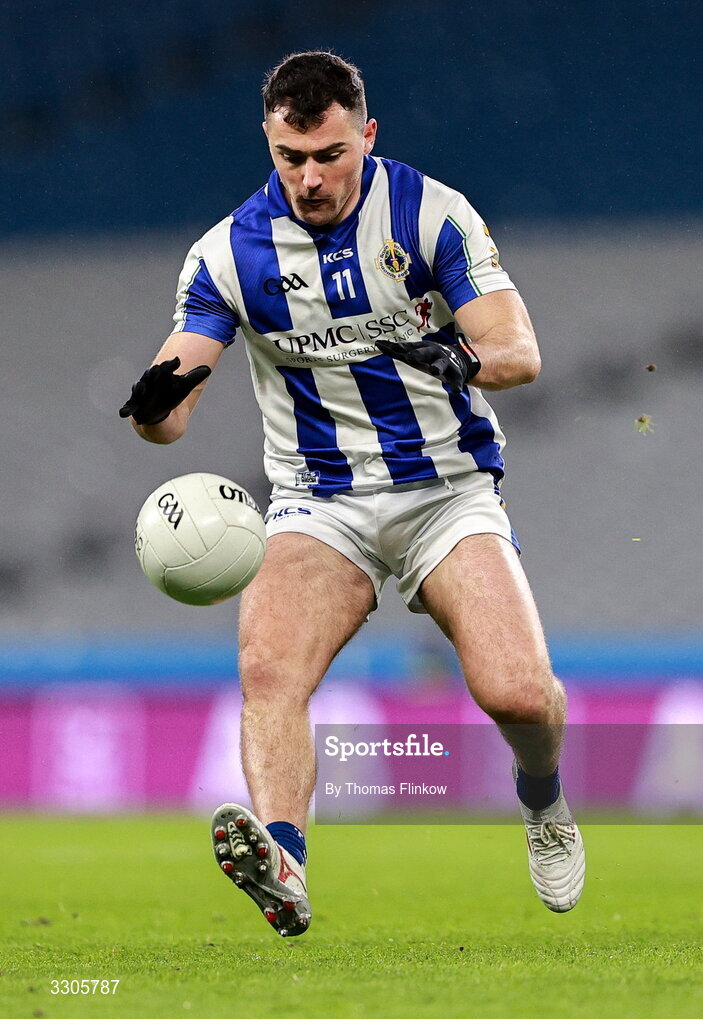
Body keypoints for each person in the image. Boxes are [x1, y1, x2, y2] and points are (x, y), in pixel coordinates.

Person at [120, 51, 585, 937]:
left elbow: (519, 349)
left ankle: (543, 802)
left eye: (328, 154)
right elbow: (173, 404)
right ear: (269, 141)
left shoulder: (430, 213)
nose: (310, 177)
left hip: (445, 491)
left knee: (518, 695)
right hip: (316, 503)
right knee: (268, 673)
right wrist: (153, 409)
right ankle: (284, 863)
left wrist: (458, 356)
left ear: (365, 135)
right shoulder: (227, 254)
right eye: (291, 158)